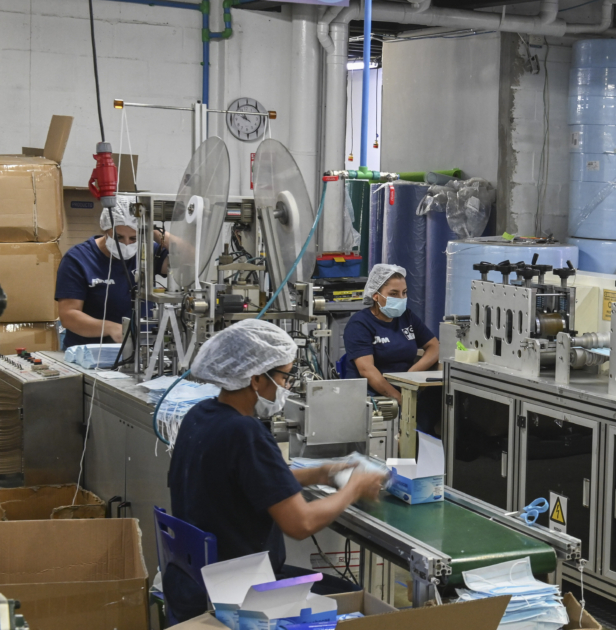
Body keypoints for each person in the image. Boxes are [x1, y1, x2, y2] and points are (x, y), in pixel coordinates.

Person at [166, 320, 389, 621]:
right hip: (240, 592)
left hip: (192, 581)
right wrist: (353, 488)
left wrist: (321, 473)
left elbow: (248, 482)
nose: (286, 387)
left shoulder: (201, 416)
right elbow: (301, 524)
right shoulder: (245, 433)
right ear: (256, 379)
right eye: (284, 377)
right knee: (351, 600)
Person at [55, 201, 170, 349]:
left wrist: (153, 230)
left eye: (133, 238)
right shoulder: (78, 259)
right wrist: (110, 328)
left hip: (144, 350)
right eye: (119, 237)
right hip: (93, 353)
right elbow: (69, 315)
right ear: (105, 230)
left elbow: (190, 259)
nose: (126, 244)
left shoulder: (147, 252)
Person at [341, 264, 441, 432]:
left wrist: (412, 374)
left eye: (404, 293)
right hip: (374, 394)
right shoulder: (359, 324)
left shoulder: (406, 317)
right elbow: (367, 370)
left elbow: (434, 346)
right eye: (394, 294)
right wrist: (400, 399)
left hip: (407, 389)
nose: (401, 298)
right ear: (375, 296)